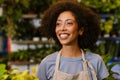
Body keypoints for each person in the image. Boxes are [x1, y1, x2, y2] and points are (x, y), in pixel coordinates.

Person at [36, 0, 109, 80]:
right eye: (58, 24)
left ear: (81, 30)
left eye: (69, 23)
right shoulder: (47, 63)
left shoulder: (95, 61)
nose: (62, 28)